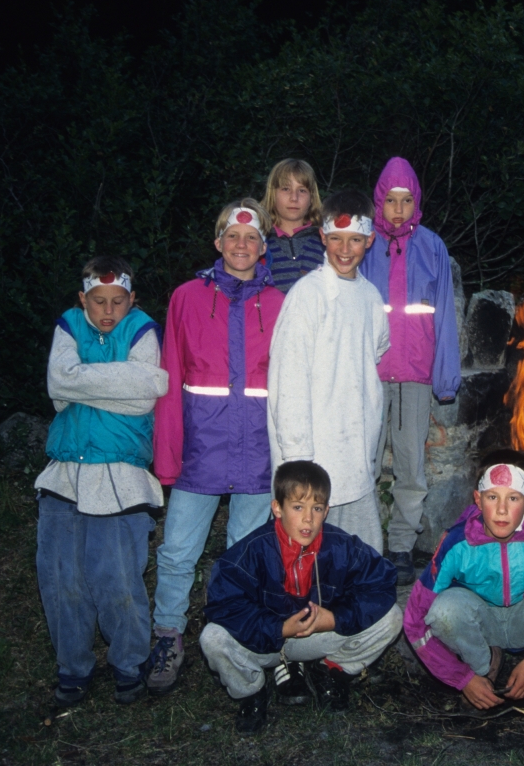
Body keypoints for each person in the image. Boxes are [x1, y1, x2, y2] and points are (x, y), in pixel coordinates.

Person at [149, 200, 285, 695]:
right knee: (176, 551)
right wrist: (168, 453)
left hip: (258, 451)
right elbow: (170, 376)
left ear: (263, 246)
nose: (241, 245)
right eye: (232, 236)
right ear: (218, 242)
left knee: (244, 553)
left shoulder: (279, 302)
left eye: (251, 237)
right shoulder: (186, 298)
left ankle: (232, 635)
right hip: (201, 450)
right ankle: (168, 635)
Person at [35, 256, 169, 706]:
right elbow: (58, 381)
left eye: (118, 301)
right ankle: (73, 667)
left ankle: (129, 664)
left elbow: (147, 393)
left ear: (133, 300)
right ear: (82, 299)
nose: (108, 311)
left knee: (117, 579)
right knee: (61, 579)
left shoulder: (143, 330)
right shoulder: (69, 325)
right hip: (64, 474)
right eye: (98, 301)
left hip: (121, 477)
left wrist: (80, 386)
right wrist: (119, 384)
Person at [404, 449, 524, 756]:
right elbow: (415, 620)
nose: (502, 510)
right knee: (444, 610)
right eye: (493, 497)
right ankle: (484, 666)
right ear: (477, 501)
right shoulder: (456, 542)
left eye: (513, 498)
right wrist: (462, 678)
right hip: (485, 623)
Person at [200, 460, 401, 734]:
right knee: (213, 637)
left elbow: (381, 583)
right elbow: (224, 605)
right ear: (277, 508)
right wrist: (278, 628)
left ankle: (331, 671)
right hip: (268, 642)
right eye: (297, 507)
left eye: (316, 508)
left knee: (391, 617)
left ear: (326, 511)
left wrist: (335, 618)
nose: (308, 519)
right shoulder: (250, 552)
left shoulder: (342, 547)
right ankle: (252, 692)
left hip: (317, 634)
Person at [268, 189, 390, 554]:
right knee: (309, 563)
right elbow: (287, 383)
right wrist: (297, 462)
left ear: (370, 240)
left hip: (356, 456)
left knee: (363, 557)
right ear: (322, 236)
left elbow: (375, 353)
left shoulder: (370, 297)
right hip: (313, 463)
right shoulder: (307, 296)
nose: (345, 249)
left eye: (355, 240)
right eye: (336, 238)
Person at [359, 157, 461, 585]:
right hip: (369, 373)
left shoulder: (432, 247)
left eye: (406, 201)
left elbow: (445, 316)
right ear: (379, 203)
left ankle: (401, 545)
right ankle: (363, 545)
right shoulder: (363, 244)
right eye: (391, 201)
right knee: (363, 463)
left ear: (416, 201)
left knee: (411, 466)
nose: (398, 210)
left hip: (415, 374)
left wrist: (445, 376)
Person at [260, 158, 325, 293]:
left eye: (302, 190)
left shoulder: (325, 241)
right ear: (272, 194)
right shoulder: (259, 242)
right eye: (286, 189)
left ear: (312, 197)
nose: (294, 198)